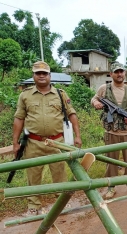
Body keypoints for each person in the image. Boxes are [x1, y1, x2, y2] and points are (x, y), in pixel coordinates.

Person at [13, 61, 82, 216]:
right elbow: (19, 118)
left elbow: (72, 114)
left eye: (45, 73)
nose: (41, 76)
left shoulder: (61, 94)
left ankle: (61, 203)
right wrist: (15, 142)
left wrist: (77, 136)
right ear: (34, 76)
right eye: (38, 73)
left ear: (50, 75)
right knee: (33, 175)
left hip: (56, 141)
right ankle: (34, 206)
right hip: (33, 142)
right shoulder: (25, 95)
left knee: (59, 173)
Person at [92, 62, 127, 199]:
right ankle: (111, 187)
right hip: (111, 132)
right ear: (111, 74)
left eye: (121, 71)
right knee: (111, 160)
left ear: (124, 73)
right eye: (116, 72)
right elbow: (95, 98)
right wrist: (95, 103)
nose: (119, 74)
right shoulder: (104, 88)